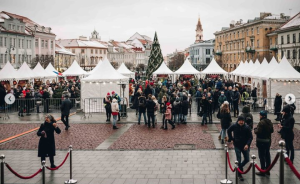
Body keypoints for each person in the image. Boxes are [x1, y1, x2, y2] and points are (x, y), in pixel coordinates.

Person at [227, 116, 253, 181]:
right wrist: (231, 138)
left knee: (247, 159)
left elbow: (250, 137)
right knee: (238, 159)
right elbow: (228, 130)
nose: (241, 122)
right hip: (237, 145)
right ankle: (239, 174)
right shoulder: (234, 126)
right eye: (240, 121)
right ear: (238, 121)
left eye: (242, 121)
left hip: (245, 146)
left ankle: (239, 167)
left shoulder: (247, 127)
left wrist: (247, 144)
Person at [254, 110, 273, 176]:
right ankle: (268, 169)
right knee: (267, 155)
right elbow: (272, 130)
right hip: (268, 141)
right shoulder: (269, 122)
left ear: (262, 116)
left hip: (261, 141)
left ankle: (262, 170)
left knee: (261, 156)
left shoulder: (261, 122)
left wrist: (255, 130)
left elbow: (258, 131)